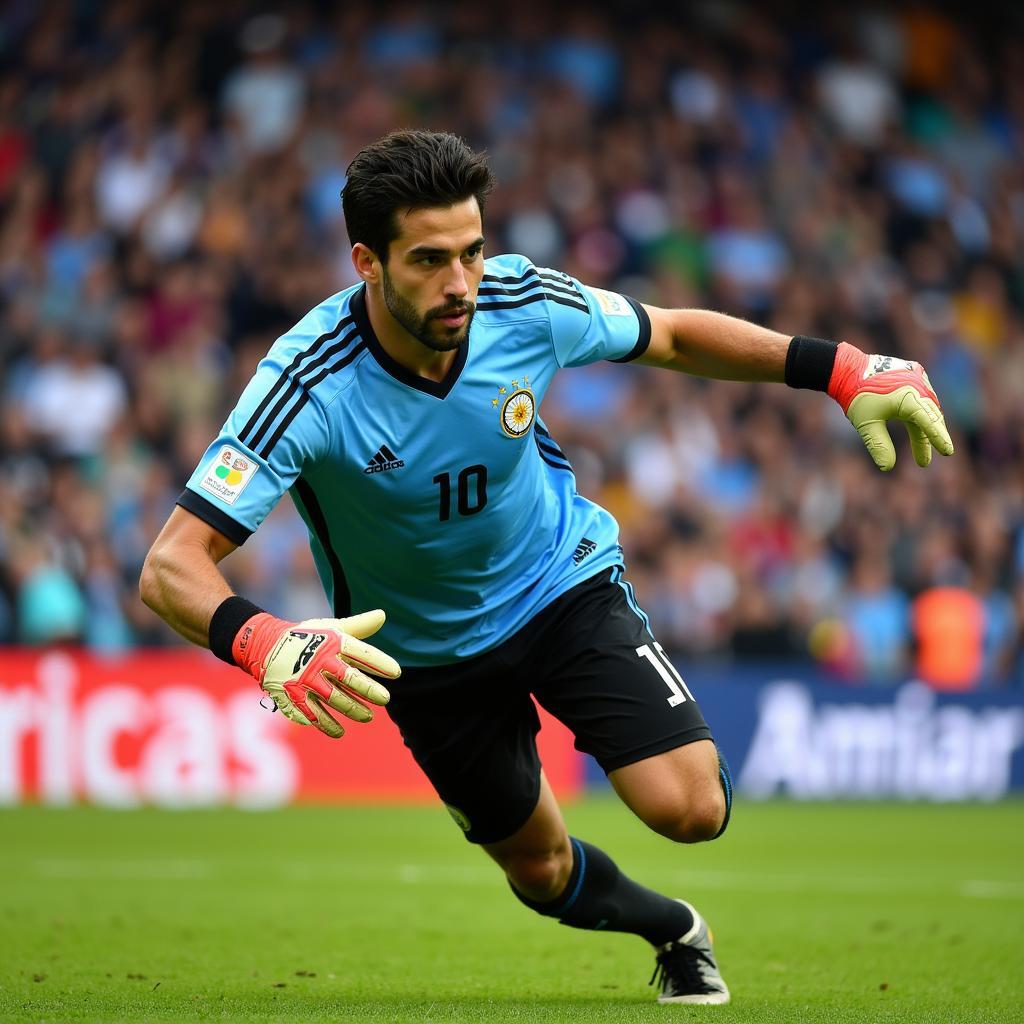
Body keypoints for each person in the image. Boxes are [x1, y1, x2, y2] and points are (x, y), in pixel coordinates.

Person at [140, 130, 953, 1004]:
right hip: (424, 655)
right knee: (539, 871)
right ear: (366, 263)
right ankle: (673, 928)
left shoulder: (521, 301)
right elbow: (170, 565)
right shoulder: (308, 382)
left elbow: (673, 336)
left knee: (693, 808)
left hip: (558, 585)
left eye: (472, 251)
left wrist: (841, 368)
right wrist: (262, 641)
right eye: (428, 260)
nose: (460, 284)